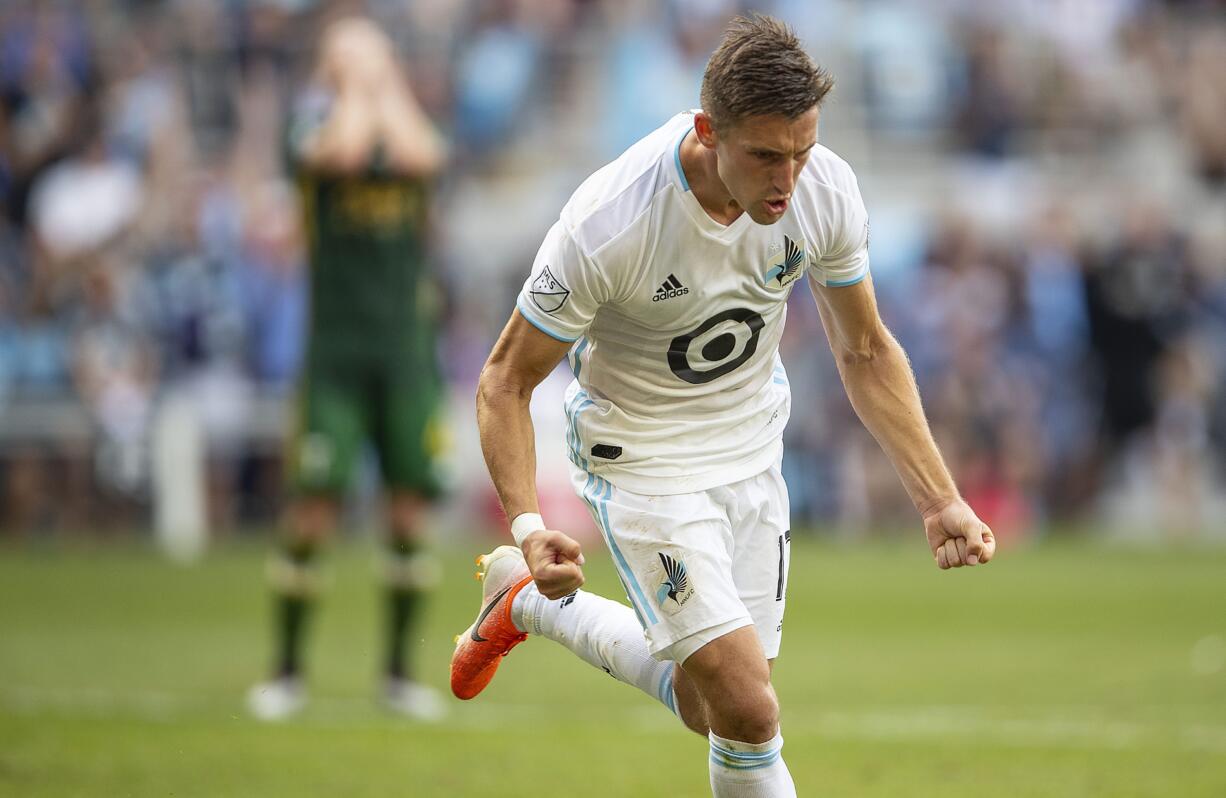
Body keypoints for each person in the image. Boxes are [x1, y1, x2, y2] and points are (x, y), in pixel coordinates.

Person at [450, 14, 995, 797]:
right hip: (641, 460)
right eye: (767, 156)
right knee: (748, 705)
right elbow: (504, 380)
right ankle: (527, 582)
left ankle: (530, 606)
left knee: (717, 712)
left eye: (802, 153)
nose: (787, 180)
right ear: (709, 131)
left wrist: (939, 497)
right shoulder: (612, 223)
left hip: (749, 447)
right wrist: (530, 525)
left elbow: (866, 350)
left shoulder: (823, 190)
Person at [247, 17, 448, 721]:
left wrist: (380, 78)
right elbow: (343, 152)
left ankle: (398, 674)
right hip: (333, 356)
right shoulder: (310, 127)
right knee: (313, 510)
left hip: (404, 356)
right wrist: (358, 83)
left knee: (408, 514)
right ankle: (287, 671)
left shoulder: (405, 118)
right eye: (349, 52)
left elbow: (425, 157)